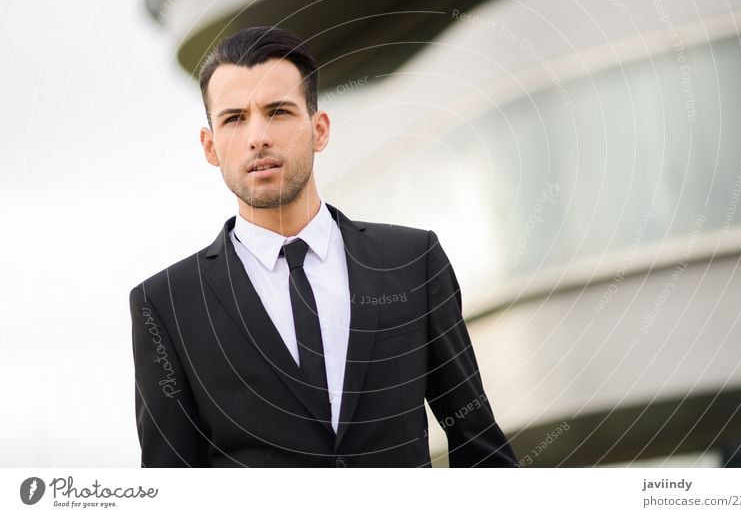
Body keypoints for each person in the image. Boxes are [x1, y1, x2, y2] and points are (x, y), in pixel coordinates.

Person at [130, 25, 517, 467]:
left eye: (278, 112)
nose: (258, 137)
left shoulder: (413, 262)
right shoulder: (167, 304)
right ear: (210, 145)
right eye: (234, 118)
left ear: (319, 129)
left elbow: (478, 441)